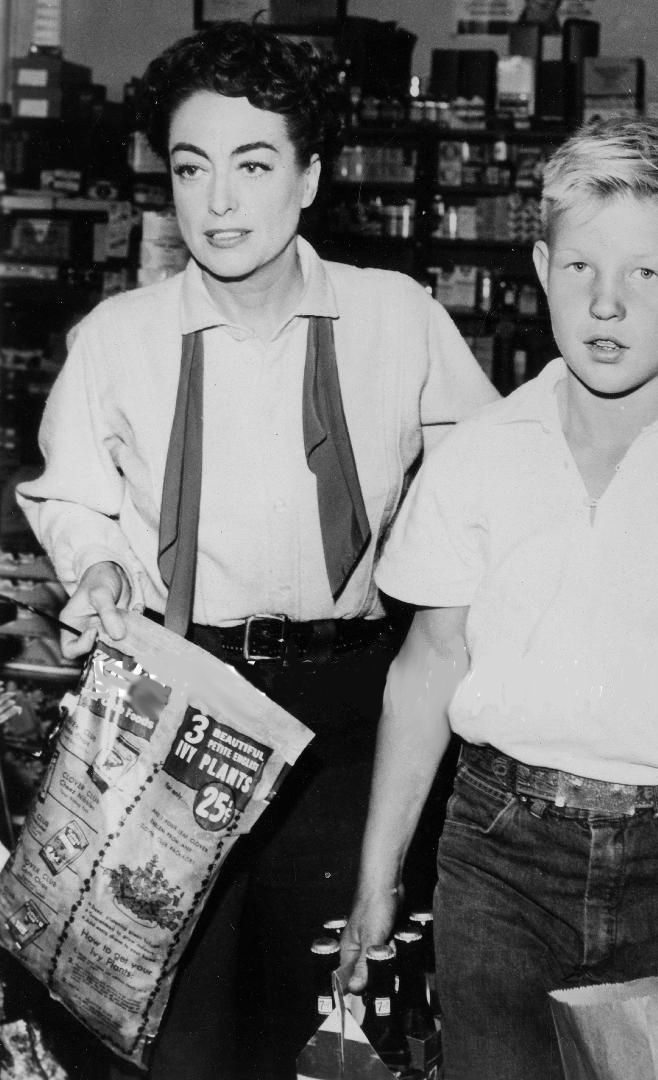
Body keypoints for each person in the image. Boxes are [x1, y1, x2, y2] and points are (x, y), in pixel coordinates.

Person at [16, 21, 497, 1080]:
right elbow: (71, 501)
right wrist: (95, 567)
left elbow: (489, 482)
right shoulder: (119, 341)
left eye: (253, 164)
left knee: (313, 1030)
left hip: (345, 721)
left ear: (312, 176)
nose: (220, 203)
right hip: (178, 705)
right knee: (161, 1032)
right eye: (193, 169)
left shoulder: (397, 320)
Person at [343, 117, 658, 1079]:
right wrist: (377, 877)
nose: (605, 304)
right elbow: (426, 669)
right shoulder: (480, 455)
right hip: (495, 854)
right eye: (579, 268)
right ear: (539, 266)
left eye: (644, 274)